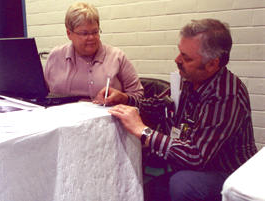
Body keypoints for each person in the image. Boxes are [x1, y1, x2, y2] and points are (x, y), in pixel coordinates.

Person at [108, 18, 257, 201]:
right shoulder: (190, 80)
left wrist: (143, 131)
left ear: (212, 64)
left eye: (186, 58)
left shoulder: (226, 95)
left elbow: (196, 156)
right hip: (193, 168)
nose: (177, 60)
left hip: (227, 173)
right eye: (180, 52)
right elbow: (159, 106)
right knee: (149, 188)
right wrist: (126, 99)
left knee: (182, 183)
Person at [44, 2, 143, 105]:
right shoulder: (55, 56)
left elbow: (139, 96)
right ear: (69, 33)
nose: (91, 37)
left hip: (106, 119)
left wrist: (123, 98)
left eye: (95, 32)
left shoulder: (116, 57)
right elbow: (41, 94)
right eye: (84, 33)